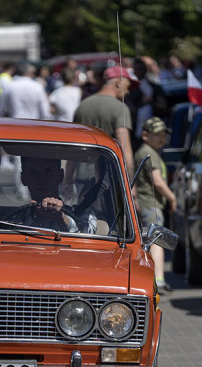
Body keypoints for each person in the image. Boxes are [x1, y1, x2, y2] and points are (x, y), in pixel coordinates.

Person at [134, 117, 177, 293]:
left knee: (148, 241)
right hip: (150, 204)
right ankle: (158, 280)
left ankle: (151, 278)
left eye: (164, 135)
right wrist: (172, 197)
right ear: (145, 135)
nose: (162, 138)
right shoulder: (149, 154)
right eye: (157, 134)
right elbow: (157, 181)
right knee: (157, 241)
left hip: (147, 203)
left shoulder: (145, 151)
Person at [73, 65, 138, 177]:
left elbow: (72, 147)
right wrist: (130, 182)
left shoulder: (82, 105)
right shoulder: (120, 108)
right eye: (127, 86)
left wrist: (68, 179)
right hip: (106, 181)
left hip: (80, 177)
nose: (128, 92)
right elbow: (124, 148)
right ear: (118, 83)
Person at [7, 156, 95, 234]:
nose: (41, 180)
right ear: (23, 178)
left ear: (60, 176)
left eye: (48, 172)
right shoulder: (12, 220)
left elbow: (87, 234)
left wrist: (62, 219)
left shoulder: (83, 215)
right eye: (34, 173)